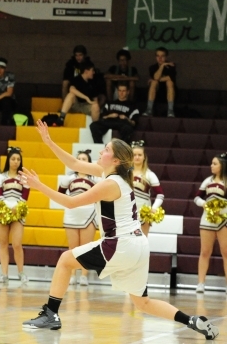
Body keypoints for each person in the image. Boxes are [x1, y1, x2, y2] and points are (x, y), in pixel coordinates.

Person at [20, 121, 219, 341]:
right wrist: (49, 142)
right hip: (139, 246)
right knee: (143, 303)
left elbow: (70, 202)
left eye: (105, 150)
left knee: (66, 260)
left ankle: (51, 314)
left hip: (120, 243)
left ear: (115, 160)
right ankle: (191, 320)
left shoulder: (110, 183)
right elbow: (75, 162)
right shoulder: (115, 175)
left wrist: (39, 186)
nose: (100, 151)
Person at [58, 150, 99, 286]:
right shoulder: (68, 179)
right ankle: (72, 275)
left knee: (86, 247)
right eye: (79, 158)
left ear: (89, 162)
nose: (81, 161)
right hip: (72, 214)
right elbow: (60, 194)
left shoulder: (96, 179)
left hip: (89, 213)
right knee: (73, 247)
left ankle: (84, 275)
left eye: (84, 159)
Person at [0, 147, 29, 285]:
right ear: (8, 160)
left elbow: (25, 196)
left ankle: (21, 273)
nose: (15, 162)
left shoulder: (24, 178)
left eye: (18, 159)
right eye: (13, 159)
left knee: (16, 244)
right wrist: (5, 208)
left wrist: (17, 207)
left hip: (18, 212)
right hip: (3, 212)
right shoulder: (1, 177)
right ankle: (4, 274)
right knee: (3, 243)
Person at [194, 152, 227, 294]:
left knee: (226, 252)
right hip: (207, 219)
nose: (211, 166)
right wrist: (205, 205)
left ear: (222, 166)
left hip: (224, 220)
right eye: (212, 163)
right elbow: (196, 198)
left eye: (215, 164)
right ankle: (201, 283)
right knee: (205, 252)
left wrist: (223, 210)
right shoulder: (207, 181)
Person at [132, 142, 164, 237]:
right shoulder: (125, 173)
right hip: (126, 212)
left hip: (143, 213)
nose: (137, 157)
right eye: (134, 155)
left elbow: (160, 194)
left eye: (139, 155)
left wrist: (153, 208)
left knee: (141, 243)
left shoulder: (150, 175)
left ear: (144, 157)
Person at [143, 47, 176, 118]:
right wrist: (162, 65)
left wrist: (156, 79)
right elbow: (156, 77)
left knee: (169, 82)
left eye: (162, 56)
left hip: (170, 93)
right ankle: (149, 110)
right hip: (157, 93)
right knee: (154, 83)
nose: (160, 58)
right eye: (158, 56)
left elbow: (170, 78)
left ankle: (170, 110)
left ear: (166, 57)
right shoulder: (152, 67)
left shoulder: (171, 66)